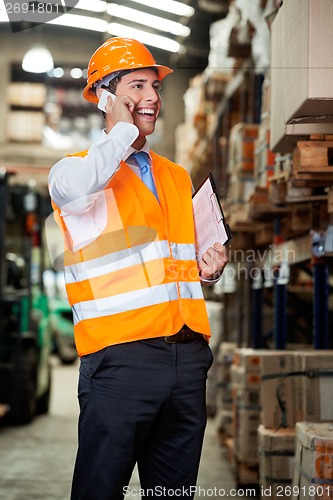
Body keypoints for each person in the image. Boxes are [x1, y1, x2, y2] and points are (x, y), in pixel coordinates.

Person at [48, 37, 228, 500]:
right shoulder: (73, 173)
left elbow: (172, 263)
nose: (151, 97)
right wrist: (122, 133)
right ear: (105, 96)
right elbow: (83, 184)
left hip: (186, 361)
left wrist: (206, 270)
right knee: (100, 491)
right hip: (120, 362)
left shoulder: (175, 176)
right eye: (137, 85)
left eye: (155, 86)